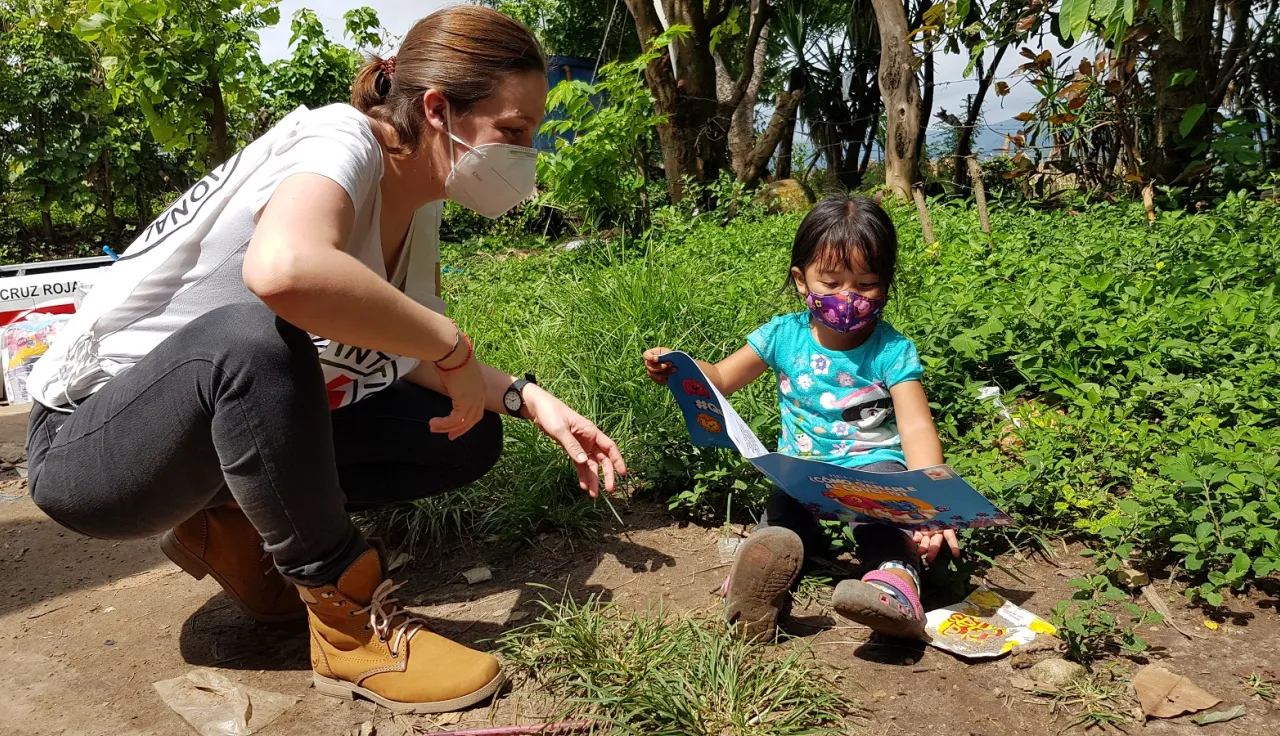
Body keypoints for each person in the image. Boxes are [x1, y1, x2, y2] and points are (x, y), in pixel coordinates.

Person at [25, 7, 624, 715]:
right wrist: (450, 341)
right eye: (514, 132)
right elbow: (284, 270)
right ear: (437, 109)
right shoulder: (338, 138)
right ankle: (350, 627)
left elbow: (401, 352)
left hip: (202, 430)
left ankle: (228, 524)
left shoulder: (421, 201)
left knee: (462, 432)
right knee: (252, 339)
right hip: (89, 447)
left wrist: (531, 398)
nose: (527, 154)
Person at [642, 194, 958, 642]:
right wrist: (680, 367)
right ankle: (757, 596)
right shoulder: (782, 336)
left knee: (884, 526)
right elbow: (721, 380)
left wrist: (926, 500)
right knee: (779, 529)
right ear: (801, 280)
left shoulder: (892, 350)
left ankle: (893, 588)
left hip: (874, 471)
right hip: (801, 474)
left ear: (886, 283)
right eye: (831, 282)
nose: (848, 297)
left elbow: (916, 426)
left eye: (866, 284)